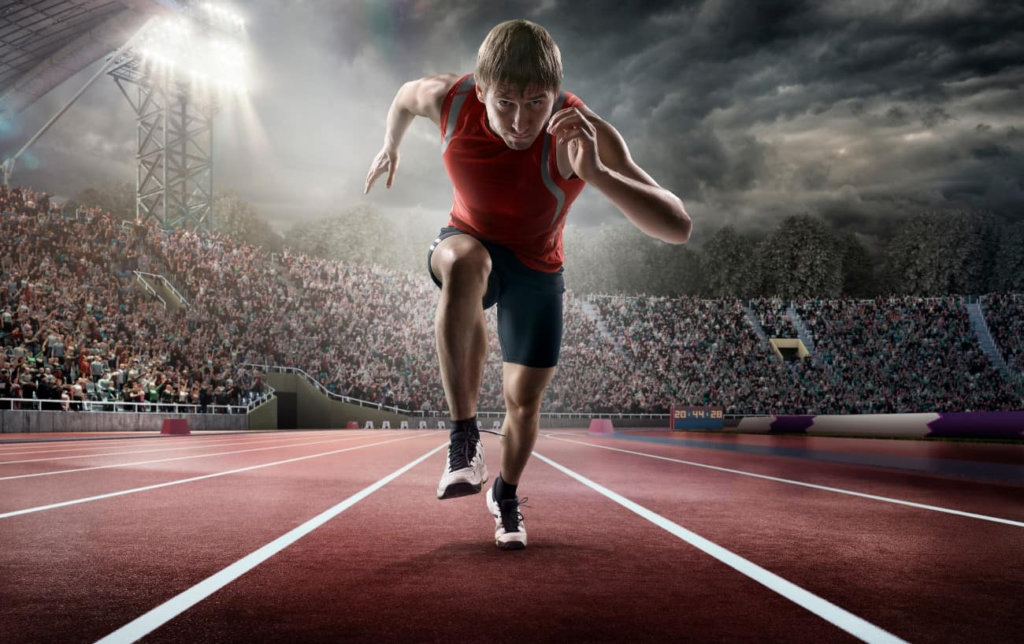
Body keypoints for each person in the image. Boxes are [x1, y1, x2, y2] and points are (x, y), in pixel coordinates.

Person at [365, 20, 690, 550]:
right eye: (506, 103)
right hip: (467, 237)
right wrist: (390, 145)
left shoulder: (580, 130)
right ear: (481, 89)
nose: (521, 121)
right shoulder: (449, 99)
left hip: (538, 267)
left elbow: (679, 226)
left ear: (556, 94)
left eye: (537, 102)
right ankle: (464, 439)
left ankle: (506, 493)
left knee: (522, 402)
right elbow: (403, 98)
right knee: (466, 262)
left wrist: (600, 176)